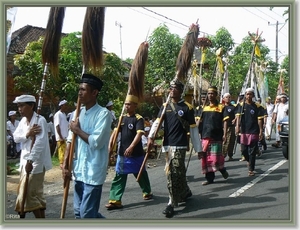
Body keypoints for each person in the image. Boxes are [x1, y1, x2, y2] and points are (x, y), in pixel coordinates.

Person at [148, 80, 203, 218]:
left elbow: (193, 129)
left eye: (175, 88)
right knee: (175, 172)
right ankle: (184, 191)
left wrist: (199, 148)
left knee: (173, 172)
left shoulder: (187, 107)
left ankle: (171, 203)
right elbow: (157, 122)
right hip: (167, 145)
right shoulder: (165, 106)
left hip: (180, 144)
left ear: (180, 90)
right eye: (170, 87)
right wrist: (150, 137)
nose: (171, 90)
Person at [62, 73, 111, 219]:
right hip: (79, 171)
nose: (79, 93)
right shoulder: (76, 114)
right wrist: (65, 165)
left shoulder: (104, 114)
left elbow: (96, 142)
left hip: (93, 172)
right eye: (79, 89)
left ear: (94, 93)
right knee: (79, 213)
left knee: (87, 214)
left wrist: (77, 130)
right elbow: (70, 140)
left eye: (83, 90)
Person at [105, 95, 153, 210]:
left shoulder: (138, 118)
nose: (126, 106)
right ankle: (115, 200)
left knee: (141, 174)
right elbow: (115, 133)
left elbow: (139, 133)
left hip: (135, 153)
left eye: (129, 104)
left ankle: (147, 192)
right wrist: (110, 146)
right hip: (122, 153)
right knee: (119, 176)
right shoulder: (121, 118)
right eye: (125, 104)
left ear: (135, 105)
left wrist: (131, 146)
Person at [12, 94, 52, 218]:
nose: (20, 109)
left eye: (22, 106)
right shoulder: (23, 122)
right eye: (18, 106)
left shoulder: (40, 120)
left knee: (29, 192)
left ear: (31, 106)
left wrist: (31, 160)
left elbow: (40, 143)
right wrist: (27, 134)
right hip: (25, 162)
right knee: (36, 193)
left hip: (37, 163)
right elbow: (16, 138)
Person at [196, 86, 229, 185]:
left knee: (214, 159)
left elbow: (225, 121)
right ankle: (209, 179)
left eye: (212, 94)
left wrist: (225, 133)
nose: (210, 95)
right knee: (205, 158)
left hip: (216, 136)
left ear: (216, 95)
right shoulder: (203, 108)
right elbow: (198, 121)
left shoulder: (221, 107)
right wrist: (195, 133)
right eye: (209, 94)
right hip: (205, 135)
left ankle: (222, 169)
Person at [235, 88, 264, 176]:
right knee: (244, 150)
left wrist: (261, 131)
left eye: (250, 94)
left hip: (254, 131)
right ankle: (249, 161)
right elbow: (238, 117)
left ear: (253, 95)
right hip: (244, 131)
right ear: (245, 95)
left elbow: (260, 120)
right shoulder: (241, 105)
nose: (248, 96)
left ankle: (251, 169)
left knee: (252, 151)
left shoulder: (257, 106)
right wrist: (237, 127)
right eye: (247, 94)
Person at [53, 99, 69, 169]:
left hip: (66, 136)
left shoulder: (64, 114)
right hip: (61, 137)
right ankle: (62, 164)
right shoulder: (58, 114)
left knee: (65, 151)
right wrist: (60, 136)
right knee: (61, 151)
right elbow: (57, 126)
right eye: (65, 105)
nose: (66, 107)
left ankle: (65, 164)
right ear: (61, 106)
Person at [222, 93, 236, 161]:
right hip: (223, 127)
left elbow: (237, 115)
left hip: (231, 127)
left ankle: (230, 155)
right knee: (225, 141)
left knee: (231, 141)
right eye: (226, 97)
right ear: (223, 99)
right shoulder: (221, 107)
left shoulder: (233, 107)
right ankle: (222, 156)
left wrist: (235, 119)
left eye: (229, 97)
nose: (228, 98)